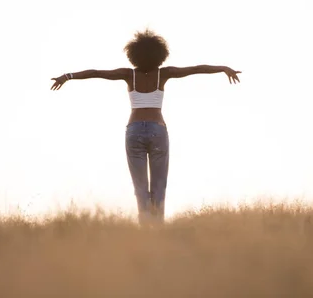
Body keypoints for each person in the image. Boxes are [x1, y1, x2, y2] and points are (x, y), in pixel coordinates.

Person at [50, 29, 241, 226]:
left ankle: (144, 227)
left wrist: (68, 76)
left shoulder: (128, 74)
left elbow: (96, 73)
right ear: (160, 54)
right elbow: (196, 68)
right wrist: (223, 68)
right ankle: (157, 228)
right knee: (159, 184)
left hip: (134, 131)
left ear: (134, 54)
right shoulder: (164, 73)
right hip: (158, 130)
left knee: (140, 185)